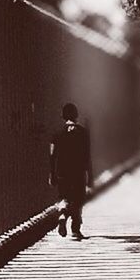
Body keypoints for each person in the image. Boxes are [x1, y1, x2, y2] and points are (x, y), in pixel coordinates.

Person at [49, 102, 92, 240]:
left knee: (64, 196)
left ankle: (62, 212)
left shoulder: (57, 133)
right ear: (76, 115)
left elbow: (52, 155)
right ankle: (75, 229)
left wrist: (52, 173)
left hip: (62, 171)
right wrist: (90, 175)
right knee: (78, 199)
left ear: (63, 116)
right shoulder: (83, 132)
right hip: (78, 171)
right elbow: (87, 155)